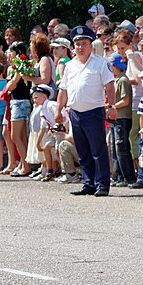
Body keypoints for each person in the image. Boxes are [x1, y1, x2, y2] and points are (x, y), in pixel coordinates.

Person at [55, 25, 116, 197]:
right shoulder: (70, 66)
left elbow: (110, 85)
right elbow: (63, 90)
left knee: (98, 149)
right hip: (75, 112)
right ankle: (88, 183)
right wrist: (59, 110)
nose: (80, 47)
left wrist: (111, 107)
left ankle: (102, 184)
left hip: (94, 111)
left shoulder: (100, 63)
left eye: (84, 43)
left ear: (91, 45)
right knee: (82, 150)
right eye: (77, 44)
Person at [3, 41, 32, 177]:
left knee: (15, 135)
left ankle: (26, 166)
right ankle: (23, 163)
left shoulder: (21, 66)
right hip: (20, 102)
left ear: (19, 53)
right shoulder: (23, 65)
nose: (10, 55)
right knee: (21, 136)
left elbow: (11, 86)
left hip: (19, 102)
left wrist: (9, 83)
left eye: (12, 52)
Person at [108, 53, 136, 187]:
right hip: (117, 118)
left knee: (122, 149)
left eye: (112, 65)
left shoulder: (123, 80)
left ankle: (128, 177)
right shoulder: (117, 80)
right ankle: (119, 176)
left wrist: (111, 106)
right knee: (115, 149)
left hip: (122, 118)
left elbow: (125, 100)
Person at [32, 85, 58, 181]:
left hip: (62, 131)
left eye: (36, 97)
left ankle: (65, 170)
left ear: (44, 96)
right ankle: (49, 170)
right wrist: (38, 143)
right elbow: (43, 128)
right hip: (54, 133)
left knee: (57, 149)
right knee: (47, 147)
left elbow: (63, 118)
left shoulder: (51, 105)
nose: (34, 100)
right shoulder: (43, 109)